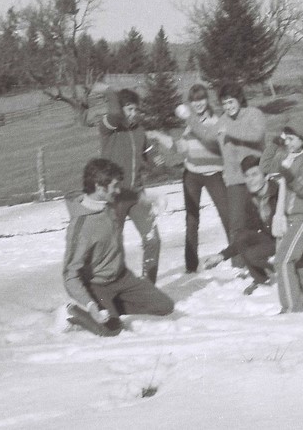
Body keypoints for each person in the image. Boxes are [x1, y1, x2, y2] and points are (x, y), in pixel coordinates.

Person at [62, 158, 174, 333]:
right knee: (111, 330)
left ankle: (109, 308)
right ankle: (73, 312)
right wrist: (91, 305)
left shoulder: (109, 201)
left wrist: (155, 198)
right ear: (99, 187)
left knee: (165, 306)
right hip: (97, 285)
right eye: (114, 186)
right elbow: (69, 275)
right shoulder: (81, 228)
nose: (118, 190)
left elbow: (132, 195)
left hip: (123, 278)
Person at [185, 83, 266, 273]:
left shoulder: (253, 114)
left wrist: (229, 132)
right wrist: (189, 118)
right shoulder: (222, 121)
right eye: (225, 104)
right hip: (234, 180)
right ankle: (241, 265)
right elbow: (206, 135)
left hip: (256, 178)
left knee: (261, 221)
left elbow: (256, 135)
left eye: (231, 102)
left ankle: (269, 257)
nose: (229, 107)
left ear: (239, 100)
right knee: (236, 224)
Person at [98, 88, 168, 283]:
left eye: (135, 109)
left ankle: (148, 285)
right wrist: (109, 90)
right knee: (113, 246)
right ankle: (110, 286)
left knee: (153, 239)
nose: (133, 113)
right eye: (129, 109)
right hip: (114, 197)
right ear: (120, 109)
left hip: (136, 195)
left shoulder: (139, 130)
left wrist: (156, 160)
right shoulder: (109, 128)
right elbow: (113, 114)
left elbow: (149, 151)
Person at [261, 115, 303, 313]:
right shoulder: (286, 157)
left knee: (283, 259)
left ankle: (291, 307)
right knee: (295, 259)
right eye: (286, 138)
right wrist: (274, 144)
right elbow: (265, 167)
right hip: (290, 217)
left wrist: (289, 177)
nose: (287, 143)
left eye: (291, 139)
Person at [202, 155, 282, 295]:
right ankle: (261, 278)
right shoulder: (250, 198)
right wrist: (222, 256)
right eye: (247, 176)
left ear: (266, 175)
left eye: (254, 174)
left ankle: (285, 270)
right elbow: (246, 233)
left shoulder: (280, 192)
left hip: (289, 238)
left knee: (253, 254)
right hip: (271, 239)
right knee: (242, 236)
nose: (250, 180)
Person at [173, 84, 231, 274]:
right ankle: (191, 266)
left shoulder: (216, 120)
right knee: (191, 219)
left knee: (227, 215)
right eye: (194, 101)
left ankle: (238, 258)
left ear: (207, 100)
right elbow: (185, 148)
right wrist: (179, 145)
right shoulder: (189, 123)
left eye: (201, 99)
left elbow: (211, 142)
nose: (198, 104)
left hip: (214, 173)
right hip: (192, 174)